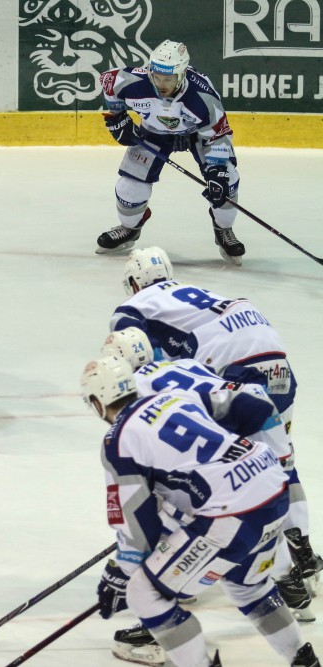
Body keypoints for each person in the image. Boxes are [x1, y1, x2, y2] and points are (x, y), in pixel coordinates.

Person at [81, 355, 320, 667]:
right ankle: (304, 661)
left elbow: (137, 526)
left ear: (98, 403)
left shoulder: (118, 440)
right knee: (248, 587)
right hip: (271, 482)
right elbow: (255, 406)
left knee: (143, 592)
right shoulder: (175, 397)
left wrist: (120, 573)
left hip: (235, 510)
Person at [112, 247, 323, 598]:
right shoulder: (196, 294)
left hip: (235, 370)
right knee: (281, 462)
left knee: (230, 468)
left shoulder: (134, 307)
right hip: (276, 363)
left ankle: (257, 573)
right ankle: (301, 549)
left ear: (134, 281)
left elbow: (132, 356)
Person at [95, 39, 245, 265]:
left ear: (182, 74)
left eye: (168, 79)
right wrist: (116, 118)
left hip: (198, 135)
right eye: (157, 77)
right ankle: (130, 228)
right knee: (129, 187)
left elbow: (217, 135)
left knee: (227, 181)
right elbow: (108, 81)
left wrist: (217, 172)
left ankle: (223, 229)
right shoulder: (134, 81)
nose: (161, 84)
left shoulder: (203, 96)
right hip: (154, 132)